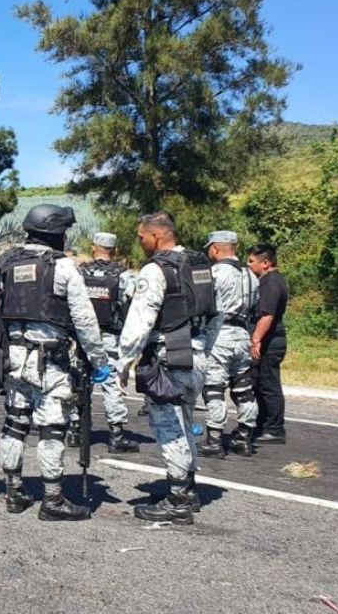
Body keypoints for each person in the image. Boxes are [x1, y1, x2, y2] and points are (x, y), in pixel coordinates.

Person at [0, 204, 108, 521]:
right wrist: (99, 361)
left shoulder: (6, 263)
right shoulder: (62, 267)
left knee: (14, 425)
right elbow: (85, 321)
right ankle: (53, 500)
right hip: (50, 362)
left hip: (13, 359)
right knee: (51, 430)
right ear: (56, 233)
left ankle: (14, 492)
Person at [114, 213, 203, 524]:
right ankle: (188, 491)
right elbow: (215, 314)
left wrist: (123, 362)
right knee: (187, 422)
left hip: (169, 359)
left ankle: (177, 501)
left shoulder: (155, 270)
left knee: (170, 428)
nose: (140, 242)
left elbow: (141, 319)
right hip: (198, 355)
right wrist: (206, 348)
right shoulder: (200, 263)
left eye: (142, 237)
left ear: (157, 236)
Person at [72, 232, 139, 453]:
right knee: (112, 384)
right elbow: (132, 305)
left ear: (93, 248)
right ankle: (116, 434)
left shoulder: (79, 273)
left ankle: (75, 430)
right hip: (111, 337)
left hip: (83, 336)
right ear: (116, 250)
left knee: (80, 381)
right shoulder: (125, 276)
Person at [198, 231, 259, 458]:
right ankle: (244, 438)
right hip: (242, 335)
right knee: (244, 390)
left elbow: (204, 305)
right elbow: (254, 306)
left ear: (215, 248)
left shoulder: (213, 273)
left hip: (219, 335)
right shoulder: (251, 275)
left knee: (214, 389)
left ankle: (214, 441)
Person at [247, 243, 288, 444]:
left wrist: (256, 339)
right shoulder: (268, 280)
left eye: (251, 261)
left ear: (265, 263)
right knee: (260, 384)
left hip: (269, 342)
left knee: (268, 384)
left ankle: (275, 429)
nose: (249, 266)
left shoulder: (271, 283)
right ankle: (263, 424)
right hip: (268, 340)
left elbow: (267, 315)